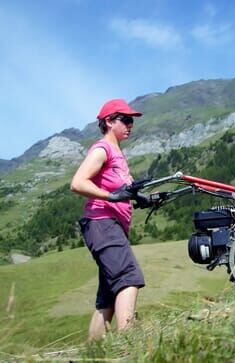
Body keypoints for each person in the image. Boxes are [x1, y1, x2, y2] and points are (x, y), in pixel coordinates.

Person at [70, 98, 147, 341]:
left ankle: (93, 353)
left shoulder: (118, 155)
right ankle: (128, 342)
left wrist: (142, 197)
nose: (130, 125)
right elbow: (78, 183)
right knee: (128, 276)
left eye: (131, 120)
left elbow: (125, 191)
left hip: (110, 226)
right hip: (102, 223)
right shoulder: (102, 149)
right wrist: (111, 196)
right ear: (109, 121)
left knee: (108, 297)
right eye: (125, 119)